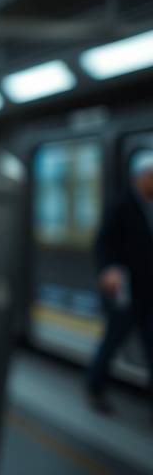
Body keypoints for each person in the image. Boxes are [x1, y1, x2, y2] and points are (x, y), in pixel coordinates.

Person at [85, 151, 153, 417]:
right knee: (113, 340)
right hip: (123, 290)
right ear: (141, 177)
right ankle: (94, 387)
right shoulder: (120, 204)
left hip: (149, 290)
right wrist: (108, 270)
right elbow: (103, 242)